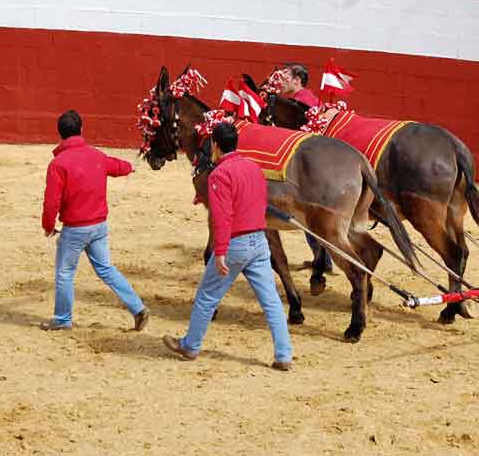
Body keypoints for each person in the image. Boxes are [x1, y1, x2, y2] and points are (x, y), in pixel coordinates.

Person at [162, 122, 293, 370]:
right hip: (259, 241)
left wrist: (220, 252)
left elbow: (221, 217)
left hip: (235, 244)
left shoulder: (219, 175)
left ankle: (190, 346)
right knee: (271, 301)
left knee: (206, 297)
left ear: (215, 146)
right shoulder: (254, 167)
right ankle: (284, 355)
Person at [41, 110, 149, 331]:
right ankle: (137, 308)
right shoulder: (96, 155)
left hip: (75, 229)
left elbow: (51, 201)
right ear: (82, 130)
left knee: (65, 273)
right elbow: (118, 166)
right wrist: (131, 165)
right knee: (106, 269)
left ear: (60, 134)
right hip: (99, 226)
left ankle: (62, 319)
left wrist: (48, 226)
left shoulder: (59, 164)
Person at [280, 63, 332, 272]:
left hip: (309, 167)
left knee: (310, 215)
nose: (282, 81)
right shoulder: (306, 99)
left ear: (296, 80)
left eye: (285, 77)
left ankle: (324, 260)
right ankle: (323, 260)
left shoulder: (299, 104)